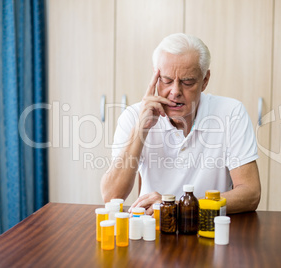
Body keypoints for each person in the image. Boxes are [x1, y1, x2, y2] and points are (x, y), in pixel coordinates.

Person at [101, 33, 261, 215]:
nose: (175, 92)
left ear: (205, 81)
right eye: (166, 80)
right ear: (155, 77)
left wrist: (177, 208)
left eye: (187, 82)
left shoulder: (231, 113)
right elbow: (111, 196)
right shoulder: (133, 116)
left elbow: (250, 193)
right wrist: (140, 130)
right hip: (152, 231)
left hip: (207, 229)